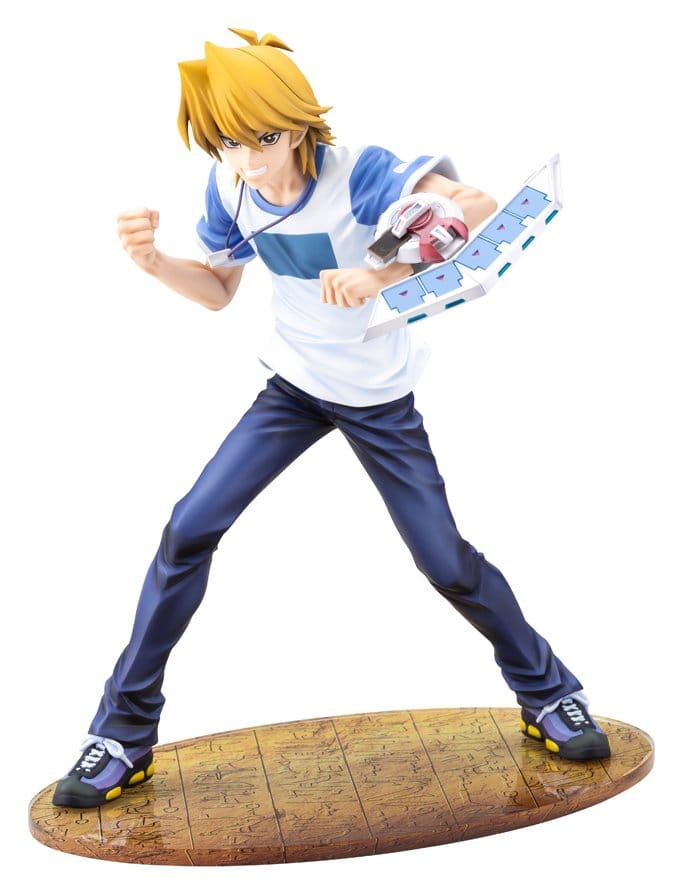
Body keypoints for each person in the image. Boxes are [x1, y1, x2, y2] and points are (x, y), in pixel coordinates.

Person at [53, 28, 609, 809]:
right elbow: (218, 290)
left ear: (296, 123)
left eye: (263, 138)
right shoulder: (229, 187)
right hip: (294, 388)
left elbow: (476, 208)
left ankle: (548, 692)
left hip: (378, 398)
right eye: (228, 142)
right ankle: (121, 733)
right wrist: (153, 262)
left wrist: (384, 270)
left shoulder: (360, 173)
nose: (249, 159)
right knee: (187, 529)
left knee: (444, 561)